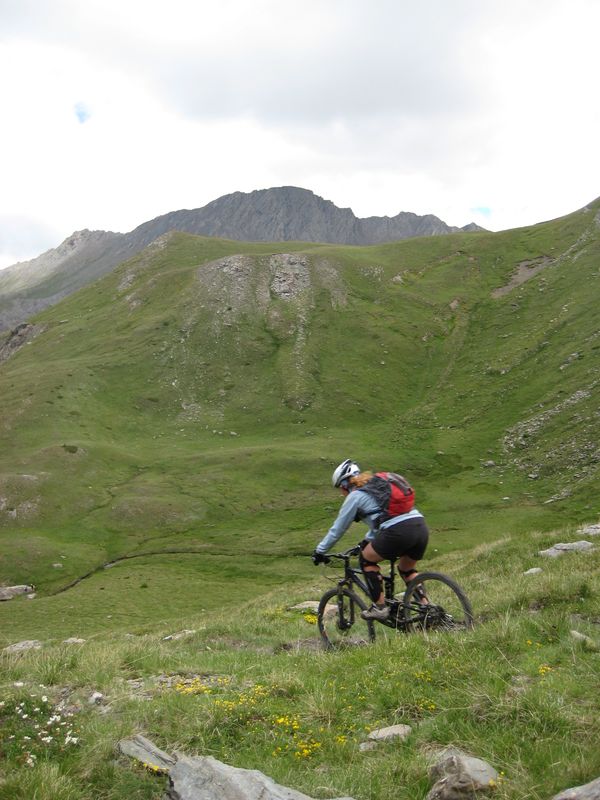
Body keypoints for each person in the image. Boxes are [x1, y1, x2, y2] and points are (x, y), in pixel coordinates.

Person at [311, 459, 429, 621]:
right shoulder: (378, 487)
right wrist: (365, 543)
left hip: (397, 531)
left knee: (366, 560)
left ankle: (380, 607)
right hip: (419, 526)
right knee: (407, 570)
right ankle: (427, 608)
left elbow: (338, 529)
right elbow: (380, 522)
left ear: (345, 484)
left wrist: (320, 551)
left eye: (340, 488)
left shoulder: (355, 496)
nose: (341, 493)